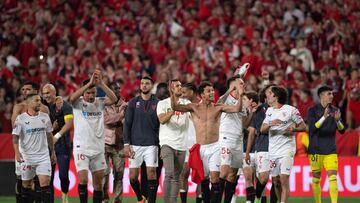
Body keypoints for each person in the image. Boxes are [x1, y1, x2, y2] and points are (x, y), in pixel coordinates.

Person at [171, 81, 243, 203]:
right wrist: (174, 94)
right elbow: (175, 107)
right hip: (201, 148)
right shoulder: (194, 107)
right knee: (204, 179)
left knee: (215, 179)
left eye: (212, 90)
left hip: (215, 147)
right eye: (208, 91)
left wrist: (240, 95)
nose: (212, 93)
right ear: (202, 94)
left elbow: (237, 108)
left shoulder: (218, 107)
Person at [69, 69, 117, 203]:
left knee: (98, 184)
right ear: (83, 92)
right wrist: (89, 82)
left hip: (98, 149)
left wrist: (101, 84)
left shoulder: (100, 102)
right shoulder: (78, 103)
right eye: (88, 93)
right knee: (83, 180)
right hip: (82, 148)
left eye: (93, 92)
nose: (91, 95)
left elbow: (114, 99)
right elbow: (71, 98)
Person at [260, 86, 307, 203]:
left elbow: (303, 126)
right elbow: (262, 129)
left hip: (287, 149)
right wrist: (271, 123)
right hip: (273, 151)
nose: (267, 95)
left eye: (270, 93)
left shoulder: (291, 110)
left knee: (284, 178)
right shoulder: (269, 111)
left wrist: (293, 129)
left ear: (276, 96)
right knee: (276, 181)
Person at [12, 93, 56, 203]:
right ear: (29, 103)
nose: (39, 103)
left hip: (43, 157)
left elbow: (49, 136)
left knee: (45, 183)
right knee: (26, 185)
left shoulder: (45, 117)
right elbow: (15, 137)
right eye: (36, 100)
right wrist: (17, 152)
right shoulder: (21, 119)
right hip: (27, 158)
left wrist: (53, 152)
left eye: (40, 100)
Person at [123, 76, 160, 203]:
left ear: (151, 86)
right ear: (140, 86)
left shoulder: (158, 103)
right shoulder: (133, 103)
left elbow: (161, 125)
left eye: (147, 83)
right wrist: (126, 144)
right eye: (142, 83)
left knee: (151, 173)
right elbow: (127, 124)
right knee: (133, 177)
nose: (144, 85)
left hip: (151, 144)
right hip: (135, 144)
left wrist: (160, 143)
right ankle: (140, 198)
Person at [307, 85, 345, 203]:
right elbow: (312, 129)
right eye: (329, 94)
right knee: (316, 179)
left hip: (330, 150)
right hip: (315, 150)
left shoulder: (336, 110)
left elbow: (342, 130)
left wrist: (338, 121)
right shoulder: (312, 111)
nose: (332, 96)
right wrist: (323, 117)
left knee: (333, 177)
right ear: (321, 96)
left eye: (332, 94)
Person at [157, 79, 189, 203]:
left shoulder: (186, 103)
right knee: (169, 174)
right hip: (167, 143)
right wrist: (173, 111)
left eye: (181, 85)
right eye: (177, 86)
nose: (180, 88)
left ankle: (172, 201)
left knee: (177, 177)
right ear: (171, 89)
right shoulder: (163, 104)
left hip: (181, 144)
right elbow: (162, 120)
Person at [217, 76, 247, 203]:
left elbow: (244, 122)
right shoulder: (227, 98)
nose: (244, 86)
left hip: (238, 140)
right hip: (226, 137)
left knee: (233, 174)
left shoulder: (243, 102)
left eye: (243, 84)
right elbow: (218, 103)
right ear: (234, 86)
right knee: (223, 172)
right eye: (241, 84)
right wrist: (230, 90)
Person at [42, 84, 73, 203]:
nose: (46, 96)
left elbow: (69, 124)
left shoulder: (65, 105)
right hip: (47, 146)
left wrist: (56, 136)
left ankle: (64, 195)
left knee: (63, 176)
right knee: (48, 178)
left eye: (48, 93)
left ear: (54, 93)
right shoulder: (42, 106)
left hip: (62, 145)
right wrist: (51, 128)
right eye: (44, 93)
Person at [245, 85, 276, 203]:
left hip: (279, 148)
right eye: (270, 92)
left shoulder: (285, 109)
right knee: (263, 179)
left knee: (277, 180)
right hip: (263, 147)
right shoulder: (261, 110)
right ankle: (257, 198)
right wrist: (248, 152)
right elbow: (255, 131)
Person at [102, 81, 127, 203]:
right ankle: (104, 199)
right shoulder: (103, 104)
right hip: (105, 143)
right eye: (115, 89)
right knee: (104, 174)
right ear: (109, 91)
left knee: (119, 174)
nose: (118, 91)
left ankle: (117, 200)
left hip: (120, 144)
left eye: (119, 89)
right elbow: (106, 120)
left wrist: (120, 119)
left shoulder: (125, 104)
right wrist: (121, 116)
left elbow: (126, 123)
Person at [178, 83, 202, 203]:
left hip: (200, 145)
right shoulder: (182, 105)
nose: (182, 94)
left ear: (192, 92)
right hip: (185, 145)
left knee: (201, 178)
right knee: (183, 174)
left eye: (184, 92)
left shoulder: (203, 105)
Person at [241, 91, 259, 203]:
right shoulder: (243, 113)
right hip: (244, 149)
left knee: (260, 180)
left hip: (259, 149)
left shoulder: (262, 112)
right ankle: (249, 201)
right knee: (248, 177)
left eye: (244, 100)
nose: (242, 102)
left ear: (251, 101)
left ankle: (259, 200)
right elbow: (244, 127)